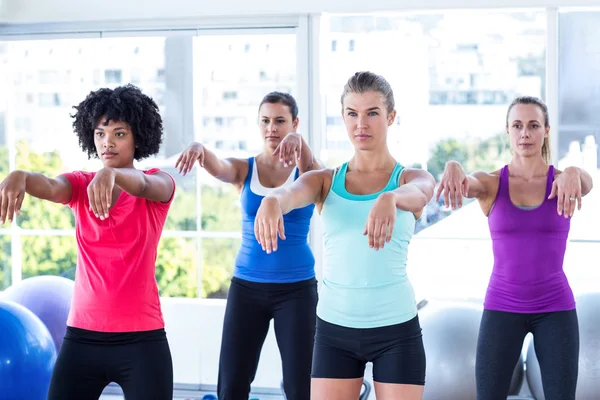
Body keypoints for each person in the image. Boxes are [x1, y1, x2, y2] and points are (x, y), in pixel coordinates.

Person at [254, 72, 435, 400]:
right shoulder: (326, 181)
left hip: (396, 330)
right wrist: (271, 200)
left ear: (391, 117)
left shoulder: (411, 177)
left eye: (372, 113)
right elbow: (291, 192)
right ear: (343, 117)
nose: (360, 124)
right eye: (352, 113)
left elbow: (421, 193)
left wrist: (389, 197)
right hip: (334, 331)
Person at [0, 84, 176, 400]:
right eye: (99, 134)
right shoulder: (82, 185)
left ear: (138, 138)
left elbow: (149, 184)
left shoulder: (158, 184)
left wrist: (115, 175)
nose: (107, 143)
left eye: (119, 134)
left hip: (142, 342)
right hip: (82, 340)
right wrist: (21, 176)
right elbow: (52, 186)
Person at [435, 95, 594, 400]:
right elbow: (468, 184)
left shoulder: (563, 181)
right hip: (502, 307)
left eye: (533, 125)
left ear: (545, 130)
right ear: (507, 131)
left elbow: (586, 183)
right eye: (517, 125)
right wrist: (454, 165)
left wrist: (574, 170)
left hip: (556, 309)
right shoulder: (492, 183)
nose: (525, 133)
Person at [176, 92, 324, 400]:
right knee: (231, 385)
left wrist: (301, 144)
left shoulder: (310, 171)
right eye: (266, 121)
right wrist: (201, 150)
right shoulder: (246, 169)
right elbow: (219, 167)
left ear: (295, 124)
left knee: (301, 388)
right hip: (246, 288)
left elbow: (311, 165)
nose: (272, 128)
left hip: (296, 290)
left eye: (280, 121)